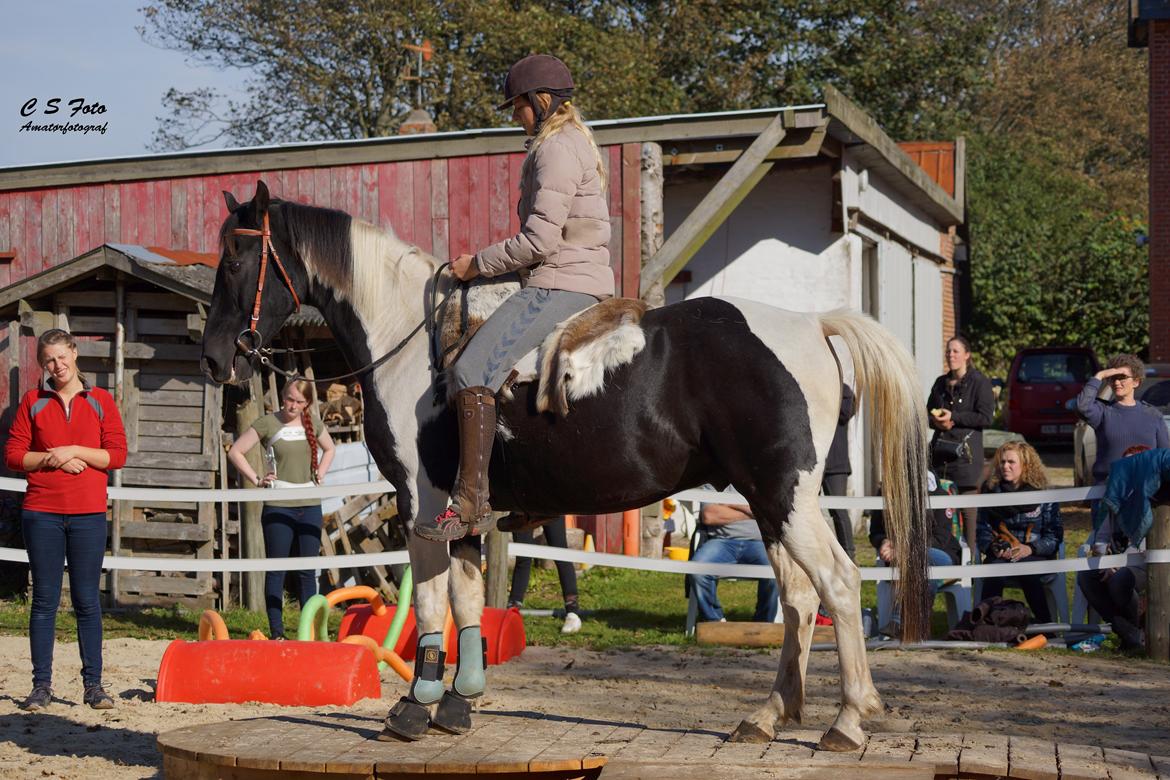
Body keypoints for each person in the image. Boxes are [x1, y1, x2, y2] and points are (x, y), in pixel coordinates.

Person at [415, 53, 613, 543]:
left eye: (518, 107)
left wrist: (475, 264)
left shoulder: (555, 150)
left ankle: (469, 503)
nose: (515, 116)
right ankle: (530, 492)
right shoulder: (572, 143)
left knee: (468, 370)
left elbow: (538, 243)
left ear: (540, 101)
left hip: (561, 281)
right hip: (574, 277)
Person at [4, 329, 127, 711]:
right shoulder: (32, 402)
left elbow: (117, 455)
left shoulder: (101, 401)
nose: (56, 367)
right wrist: (52, 458)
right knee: (44, 600)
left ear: (74, 353)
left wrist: (76, 450)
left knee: (87, 600)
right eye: (48, 362)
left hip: (88, 513)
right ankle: (41, 686)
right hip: (41, 512)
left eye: (61, 357)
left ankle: (94, 686)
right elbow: (13, 455)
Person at [227, 379, 335, 639]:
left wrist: (320, 471)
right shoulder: (267, 422)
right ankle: (277, 633)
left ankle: (306, 633)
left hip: (309, 505)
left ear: (307, 403)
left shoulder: (314, 423)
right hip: (279, 507)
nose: (292, 405)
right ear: (282, 397)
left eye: (299, 401)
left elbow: (330, 448)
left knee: (308, 572)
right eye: (289, 399)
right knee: (277, 570)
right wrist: (256, 479)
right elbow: (236, 452)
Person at [1075, 444, 1155, 651]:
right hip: (1116, 562)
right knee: (1087, 576)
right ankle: (1130, 635)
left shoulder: (1155, 497)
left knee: (1120, 580)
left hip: (1146, 563)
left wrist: (1117, 565)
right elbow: (1100, 536)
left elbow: (1145, 540)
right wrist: (1103, 561)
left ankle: (1137, 633)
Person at [975, 441, 1063, 624]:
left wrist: (1030, 548)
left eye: (1011, 462)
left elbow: (1054, 535)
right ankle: (985, 624)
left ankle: (1045, 626)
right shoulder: (990, 492)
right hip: (1002, 552)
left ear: (1026, 465)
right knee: (994, 571)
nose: (1005, 466)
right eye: (1002, 462)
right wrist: (994, 548)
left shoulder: (1044, 494)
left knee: (1028, 571)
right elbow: (981, 529)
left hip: (1035, 553)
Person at [869, 470, 962, 637]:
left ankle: (899, 622)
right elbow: (875, 531)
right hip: (901, 557)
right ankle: (918, 627)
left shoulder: (939, 494)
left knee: (922, 560)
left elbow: (941, 538)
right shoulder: (886, 492)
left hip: (940, 554)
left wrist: (906, 548)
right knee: (923, 568)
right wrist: (884, 541)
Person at [927, 336, 995, 552]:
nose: (951, 355)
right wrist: (937, 420)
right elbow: (926, 413)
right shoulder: (940, 383)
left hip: (966, 459)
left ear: (967, 355)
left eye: (956, 351)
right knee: (940, 512)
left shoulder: (980, 382)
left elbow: (985, 417)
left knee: (968, 514)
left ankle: (972, 569)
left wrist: (954, 418)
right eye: (948, 351)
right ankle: (945, 560)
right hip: (940, 457)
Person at [1076, 354, 1169, 484]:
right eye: (1113, 378)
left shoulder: (1153, 415)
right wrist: (1099, 376)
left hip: (1144, 491)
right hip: (1108, 491)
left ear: (1136, 382)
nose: (1116, 382)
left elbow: (1165, 456)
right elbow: (1082, 406)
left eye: (1122, 378)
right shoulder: (1102, 412)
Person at [688, 499, 779, 624]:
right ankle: (715, 621)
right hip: (721, 541)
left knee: (776, 570)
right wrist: (752, 511)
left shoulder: (761, 481)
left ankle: (763, 623)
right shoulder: (713, 483)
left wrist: (730, 504)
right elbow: (709, 516)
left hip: (759, 542)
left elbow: (771, 513)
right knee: (698, 569)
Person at [507, 517, 581, 634]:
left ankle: (573, 612)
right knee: (523, 557)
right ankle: (512, 612)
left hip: (551, 506)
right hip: (522, 507)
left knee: (561, 554)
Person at [822, 383, 856, 560]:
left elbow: (845, 414)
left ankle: (849, 555)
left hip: (835, 463)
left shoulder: (843, 389)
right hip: (811, 461)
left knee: (839, 511)